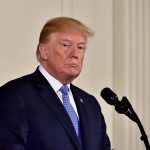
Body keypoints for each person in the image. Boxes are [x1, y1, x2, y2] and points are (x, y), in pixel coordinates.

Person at [0, 17, 111, 150]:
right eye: (65, 45)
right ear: (44, 51)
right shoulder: (14, 95)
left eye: (80, 47)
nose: (75, 54)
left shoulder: (90, 104)